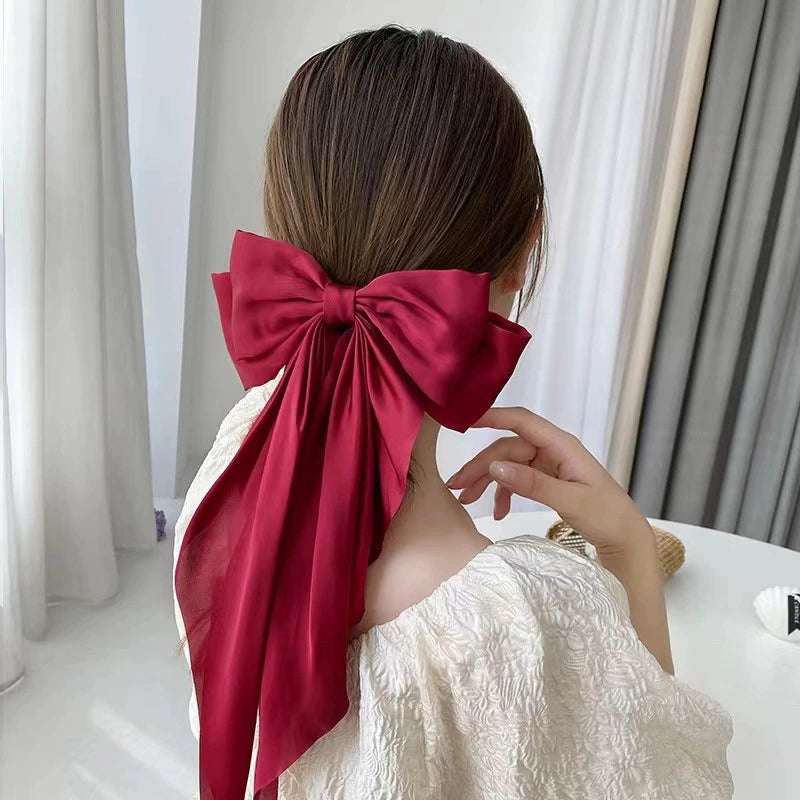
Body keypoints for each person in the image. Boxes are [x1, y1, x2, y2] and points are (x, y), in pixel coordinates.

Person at [173, 25, 733, 800]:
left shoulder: (236, 453)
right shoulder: (526, 627)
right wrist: (629, 548)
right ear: (523, 253)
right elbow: (666, 779)